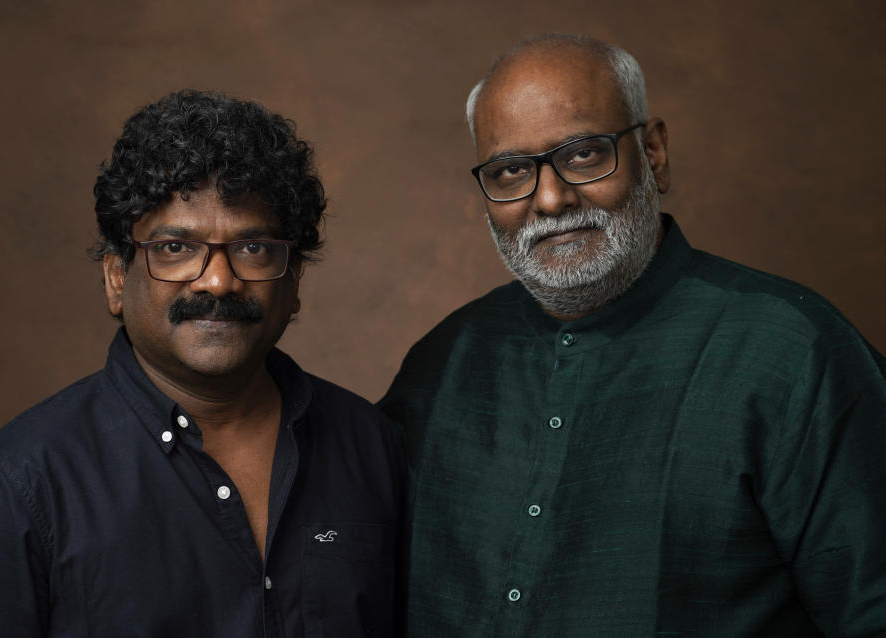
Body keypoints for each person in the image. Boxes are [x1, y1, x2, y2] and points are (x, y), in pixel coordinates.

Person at [380, 34, 886, 636]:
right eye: (512, 170)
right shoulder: (440, 364)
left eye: (584, 155)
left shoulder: (794, 353)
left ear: (654, 152)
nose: (549, 198)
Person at [0, 90, 404, 637]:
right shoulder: (10, 490)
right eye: (175, 248)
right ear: (115, 278)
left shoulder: (371, 446)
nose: (219, 280)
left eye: (253, 248)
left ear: (294, 280)